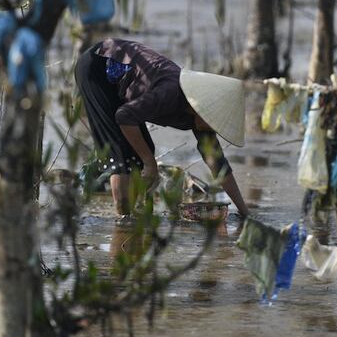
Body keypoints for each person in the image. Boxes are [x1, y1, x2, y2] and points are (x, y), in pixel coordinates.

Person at [75, 38, 250, 217]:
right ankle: (124, 221)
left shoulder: (202, 121)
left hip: (120, 83)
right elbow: (124, 116)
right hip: (98, 67)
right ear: (202, 108)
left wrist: (244, 213)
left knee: (143, 149)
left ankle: (132, 215)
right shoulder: (170, 93)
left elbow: (219, 166)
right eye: (213, 121)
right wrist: (150, 163)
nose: (213, 127)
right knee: (121, 154)